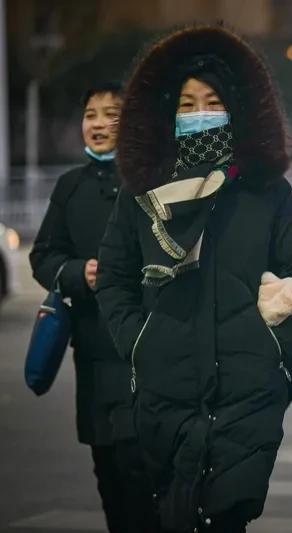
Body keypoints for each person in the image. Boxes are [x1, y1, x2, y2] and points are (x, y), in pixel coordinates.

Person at [95, 27, 292, 533]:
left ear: (236, 108)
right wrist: (140, 342)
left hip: (248, 390)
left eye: (211, 101)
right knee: (173, 515)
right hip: (164, 386)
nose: (199, 111)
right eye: (187, 103)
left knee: (228, 517)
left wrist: (271, 344)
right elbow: (114, 276)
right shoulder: (143, 192)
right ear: (168, 112)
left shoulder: (266, 189)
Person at [30, 82, 161, 533]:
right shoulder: (70, 187)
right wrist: (75, 273)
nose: (99, 124)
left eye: (112, 114)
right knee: (109, 475)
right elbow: (43, 256)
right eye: (91, 114)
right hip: (92, 357)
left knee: (142, 473)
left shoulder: (153, 183)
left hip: (146, 356)